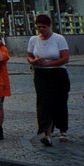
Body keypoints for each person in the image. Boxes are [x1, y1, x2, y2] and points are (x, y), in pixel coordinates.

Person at [26, 13, 70, 146]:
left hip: (58, 73)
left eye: (43, 27)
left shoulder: (59, 38)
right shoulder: (34, 39)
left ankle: (62, 130)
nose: (41, 30)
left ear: (49, 26)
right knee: (44, 103)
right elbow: (28, 56)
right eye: (39, 27)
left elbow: (65, 58)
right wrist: (34, 61)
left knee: (59, 101)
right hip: (40, 74)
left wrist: (48, 63)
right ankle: (47, 134)